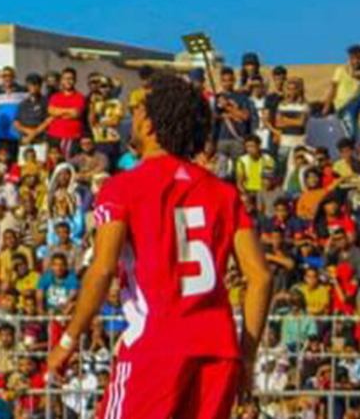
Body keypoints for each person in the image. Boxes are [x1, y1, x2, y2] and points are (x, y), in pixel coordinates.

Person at [46, 76, 273, 418]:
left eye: (137, 109)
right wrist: (248, 355)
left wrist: (68, 339)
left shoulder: (123, 188)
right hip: (218, 348)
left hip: (158, 344)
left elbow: (103, 268)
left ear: (150, 123)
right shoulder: (224, 194)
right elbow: (261, 278)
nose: (131, 114)